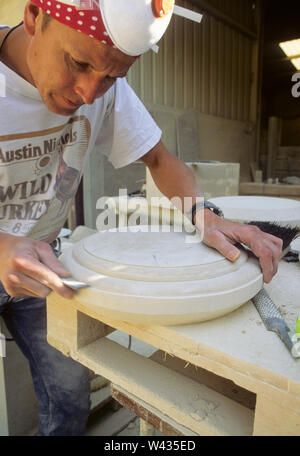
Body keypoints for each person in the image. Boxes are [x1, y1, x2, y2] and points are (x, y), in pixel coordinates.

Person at [0, 0, 282, 436]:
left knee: (69, 391)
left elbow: (158, 158)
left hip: (43, 267)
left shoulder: (102, 86)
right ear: (35, 16)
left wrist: (203, 215)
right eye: (77, 62)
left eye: (112, 75)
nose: (90, 93)